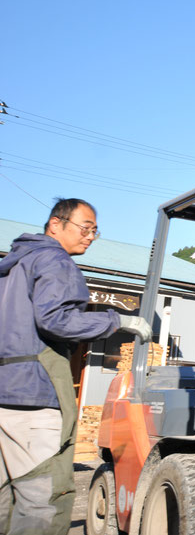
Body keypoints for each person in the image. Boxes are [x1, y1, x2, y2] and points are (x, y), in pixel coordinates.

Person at [0, 198, 152, 535]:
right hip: (33, 397)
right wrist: (118, 321)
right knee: (41, 500)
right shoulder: (54, 261)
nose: (90, 237)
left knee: (4, 499)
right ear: (55, 225)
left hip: (4, 395)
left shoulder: (11, 267)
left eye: (95, 231)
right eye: (85, 228)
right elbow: (55, 319)